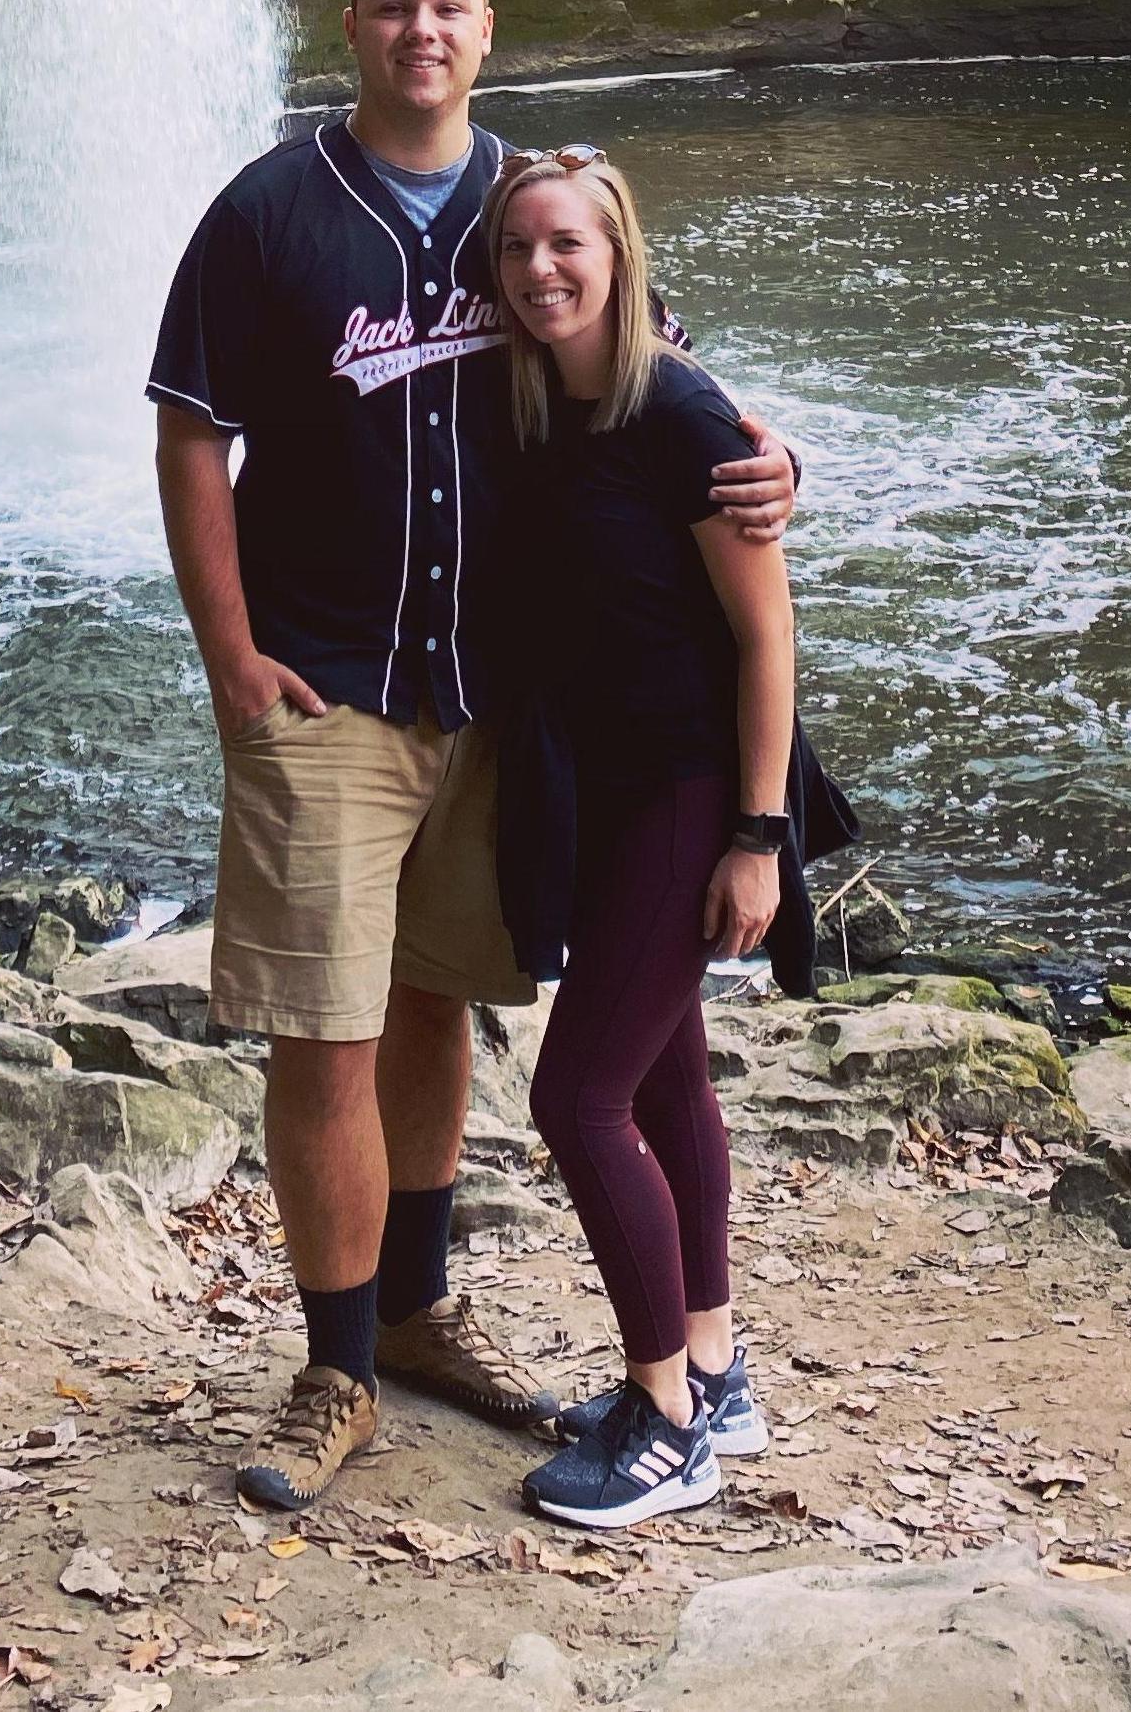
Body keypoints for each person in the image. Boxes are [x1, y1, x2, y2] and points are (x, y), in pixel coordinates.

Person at [147, 0, 797, 1515]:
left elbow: (661, 378)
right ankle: (334, 1368)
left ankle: (423, 1314)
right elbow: (190, 434)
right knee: (329, 1032)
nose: (418, 30)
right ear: (351, 26)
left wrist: (775, 459)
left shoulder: (530, 206)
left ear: (487, 29)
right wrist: (230, 657)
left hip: (504, 706)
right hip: (327, 686)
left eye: (446, 5)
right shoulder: (267, 213)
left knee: (438, 1000)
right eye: (389, 5)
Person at [484, 145, 795, 1531]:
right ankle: (713, 1368)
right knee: (665, 1087)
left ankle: (665, 1421)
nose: (543, 269)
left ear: (620, 256)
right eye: (518, 249)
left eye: (570, 245)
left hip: (684, 792)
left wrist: (757, 834)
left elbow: (766, 634)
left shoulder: (680, 411)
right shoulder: (532, 404)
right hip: (600, 792)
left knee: (576, 1099)